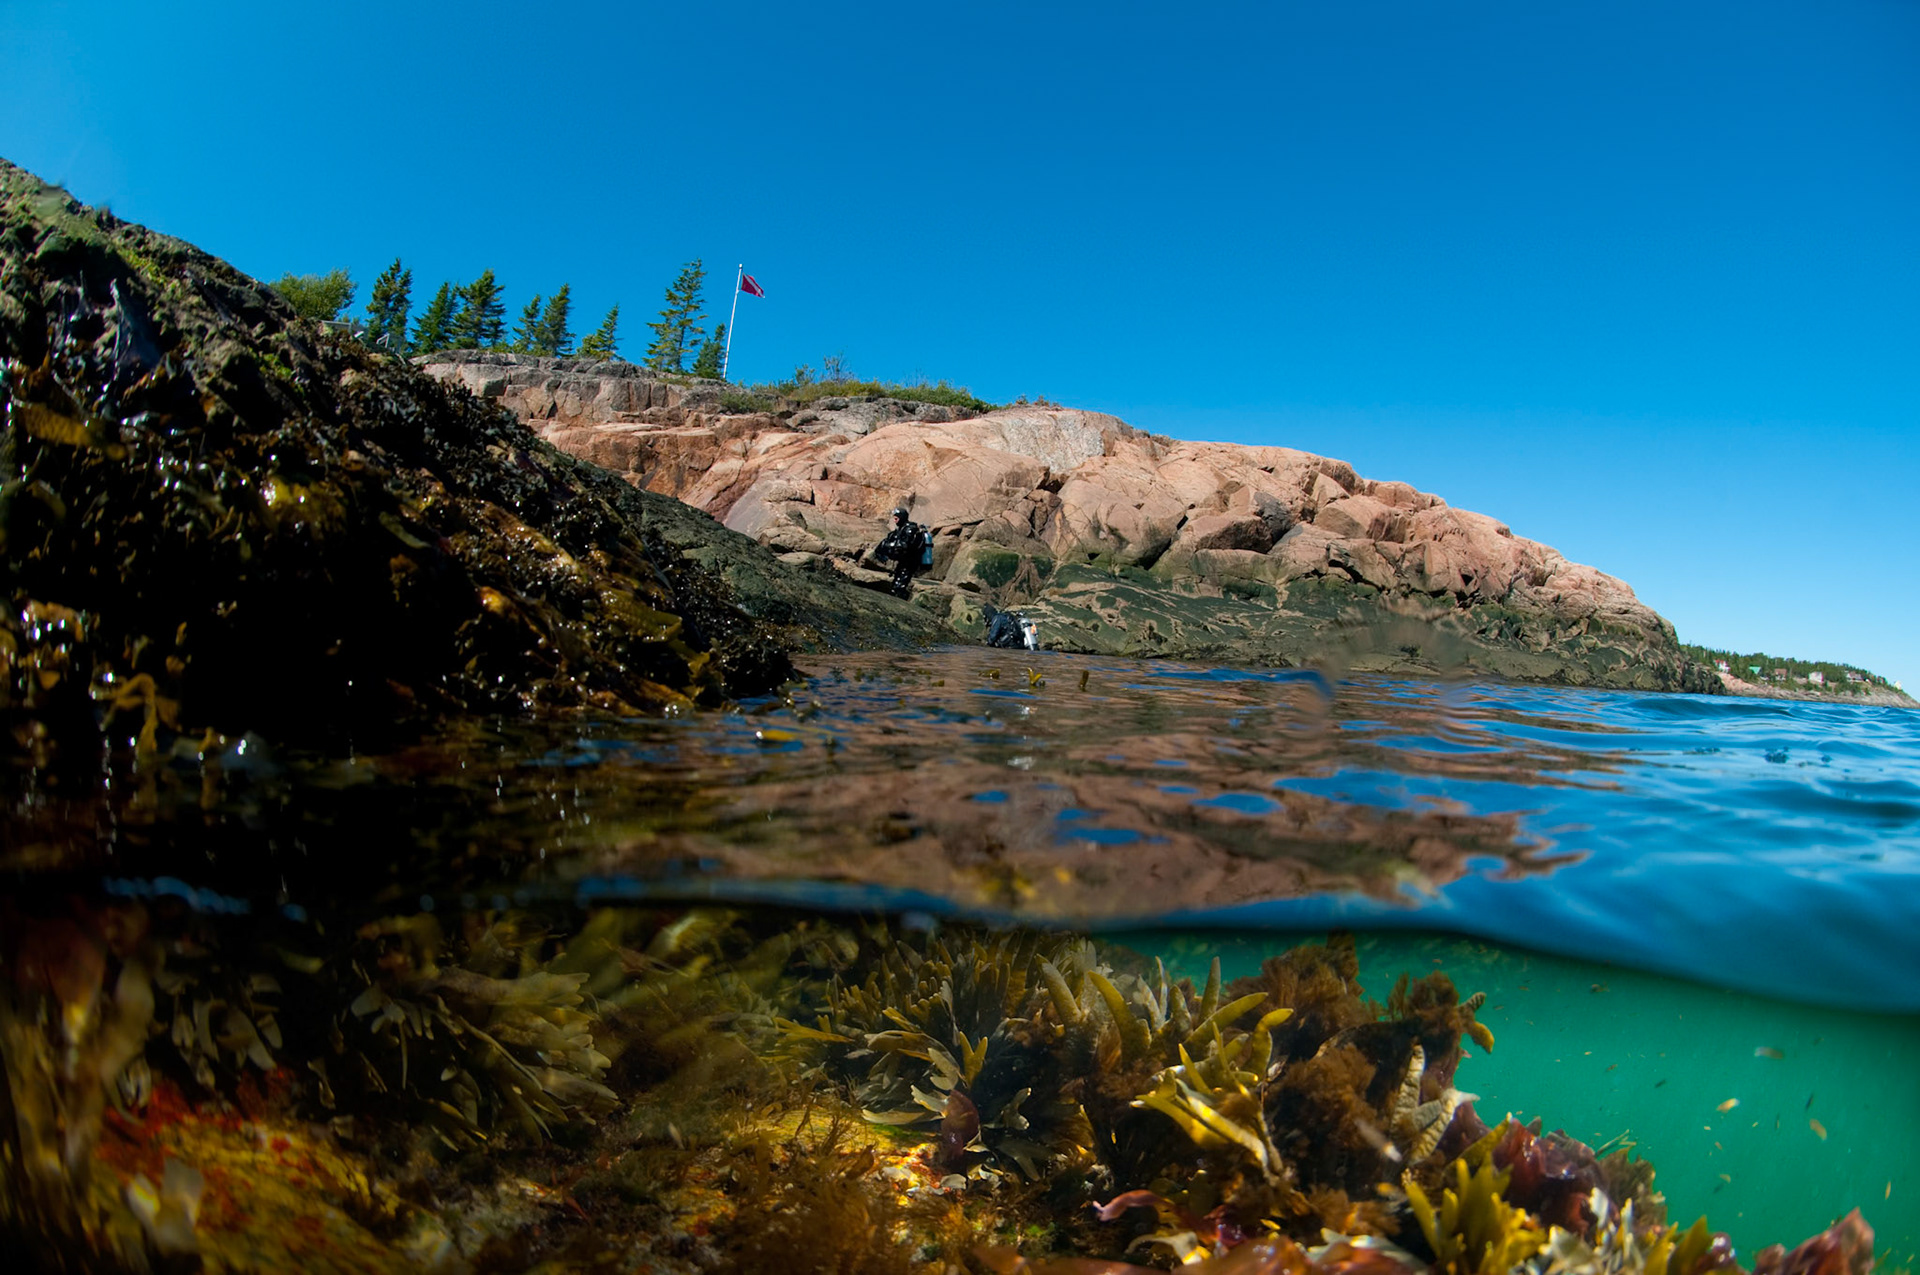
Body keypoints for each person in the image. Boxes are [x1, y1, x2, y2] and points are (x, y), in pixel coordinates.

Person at [871, 506, 930, 598]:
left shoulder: (910, 529)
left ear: (902, 517)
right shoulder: (900, 529)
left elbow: (904, 545)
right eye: (894, 518)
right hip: (904, 561)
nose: (895, 520)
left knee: (900, 583)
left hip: (910, 561)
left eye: (896, 518)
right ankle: (897, 595)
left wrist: (889, 545)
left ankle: (900, 599)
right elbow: (891, 540)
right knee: (897, 582)